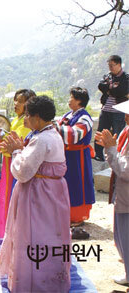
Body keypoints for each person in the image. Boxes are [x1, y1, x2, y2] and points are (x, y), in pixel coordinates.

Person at [0, 95, 71, 293]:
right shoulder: (53, 134)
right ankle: (53, 279)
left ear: (37, 117)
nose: (26, 119)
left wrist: (15, 152)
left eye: (28, 115)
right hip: (54, 193)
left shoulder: (40, 139)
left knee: (34, 235)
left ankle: (34, 283)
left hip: (39, 195)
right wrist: (21, 149)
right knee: (52, 235)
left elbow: (23, 172)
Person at [94, 98, 129, 287]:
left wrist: (110, 149)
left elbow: (125, 170)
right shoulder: (126, 131)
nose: (125, 117)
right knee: (121, 233)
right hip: (122, 193)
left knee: (126, 234)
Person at [0, 88, 36, 240]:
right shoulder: (16, 120)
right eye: (15, 100)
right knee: (7, 197)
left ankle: (15, 233)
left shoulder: (26, 122)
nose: (16, 104)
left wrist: (2, 137)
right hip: (8, 161)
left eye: (20, 101)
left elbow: (19, 142)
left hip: (16, 162)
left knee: (13, 197)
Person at [55, 86, 95, 226]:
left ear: (79, 100)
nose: (69, 100)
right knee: (67, 184)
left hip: (79, 157)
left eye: (72, 97)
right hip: (67, 155)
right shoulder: (68, 115)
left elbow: (74, 135)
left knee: (78, 184)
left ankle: (77, 216)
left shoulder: (85, 117)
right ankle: (65, 214)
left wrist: (56, 127)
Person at [94, 55, 128, 160]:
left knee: (118, 134)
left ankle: (118, 157)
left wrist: (109, 89)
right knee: (100, 133)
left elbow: (122, 91)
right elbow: (101, 86)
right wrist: (113, 88)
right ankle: (99, 155)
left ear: (119, 64)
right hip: (106, 110)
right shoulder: (107, 76)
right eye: (109, 65)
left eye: (112, 65)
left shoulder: (126, 78)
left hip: (118, 112)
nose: (110, 68)